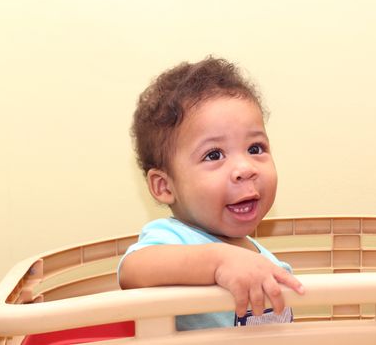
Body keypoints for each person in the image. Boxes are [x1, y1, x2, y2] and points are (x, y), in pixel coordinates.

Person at [118, 56, 305, 331]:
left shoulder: (264, 257)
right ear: (165, 186)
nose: (245, 168)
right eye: (214, 154)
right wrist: (219, 261)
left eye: (255, 148)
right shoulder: (175, 238)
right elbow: (132, 271)